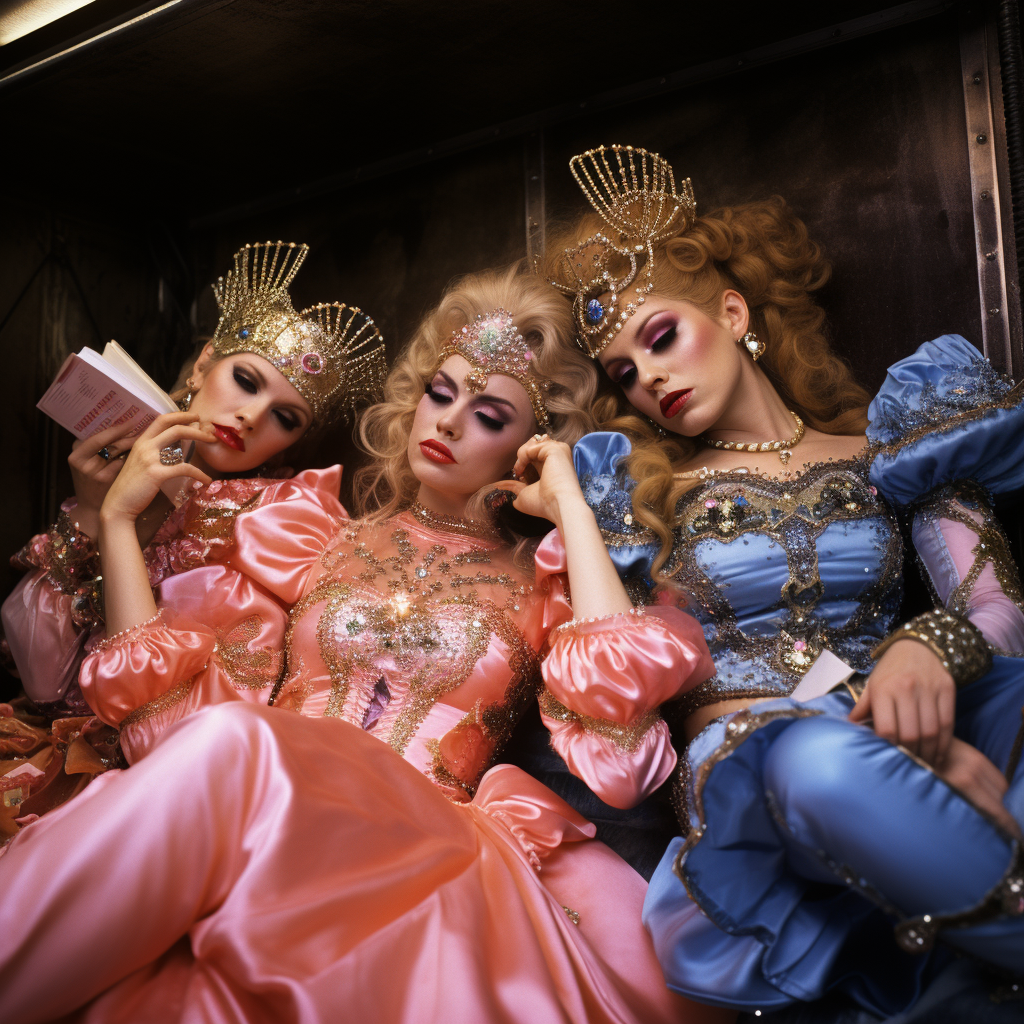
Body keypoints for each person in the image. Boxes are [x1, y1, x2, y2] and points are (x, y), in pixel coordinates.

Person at [0, 264, 729, 1024]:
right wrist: (117, 521)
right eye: (440, 395)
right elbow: (163, 724)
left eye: (488, 415)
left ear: (529, 446)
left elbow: (623, 752)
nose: (447, 424)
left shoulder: (544, 585)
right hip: (277, 808)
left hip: (421, 830)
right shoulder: (310, 535)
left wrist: (571, 508)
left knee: (242, 745)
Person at [543, 144, 1024, 1017]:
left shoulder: (896, 442)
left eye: (660, 336)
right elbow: (612, 684)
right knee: (813, 762)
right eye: (625, 373)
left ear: (731, 312)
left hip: (906, 710)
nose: (648, 377)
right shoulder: (644, 498)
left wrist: (928, 649)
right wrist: (573, 504)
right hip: (756, 760)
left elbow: (995, 604)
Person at [0, 239, 387, 835]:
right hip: (46, 759)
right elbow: (43, 680)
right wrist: (92, 512)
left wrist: (118, 524)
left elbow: (194, 723)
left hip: (157, 788)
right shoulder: (129, 470)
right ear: (205, 363)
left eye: (286, 417)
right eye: (246, 380)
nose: (252, 417)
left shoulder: (282, 518)